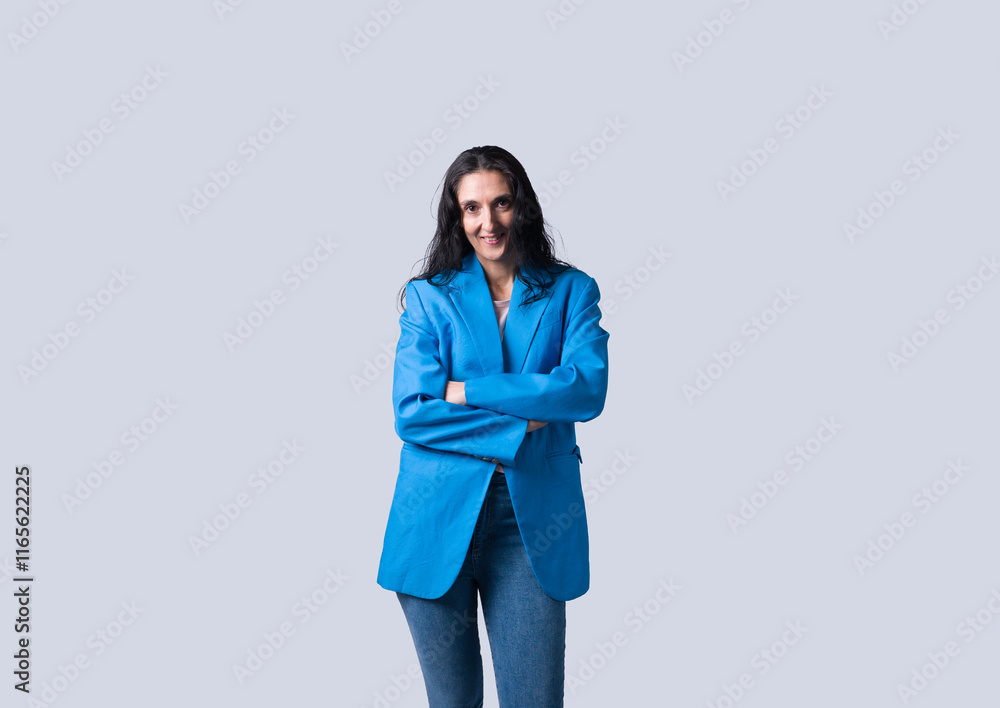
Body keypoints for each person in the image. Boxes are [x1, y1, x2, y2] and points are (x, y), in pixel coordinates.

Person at [376, 145, 610, 707]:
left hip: (529, 523)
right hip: (435, 519)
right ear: (456, 218)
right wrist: (524, 420)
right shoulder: (430, 299)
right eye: (472, 207)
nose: (489, 221)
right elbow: (412, 411)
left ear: (521, 206)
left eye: (501, 203)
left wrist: (468, 392)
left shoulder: (571, 292)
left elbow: (584, 388)